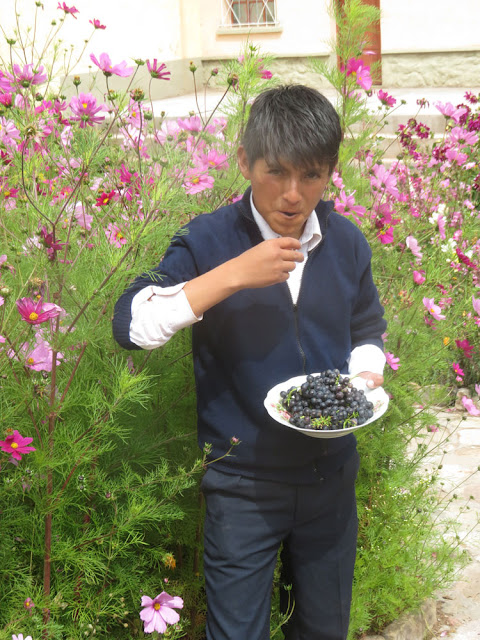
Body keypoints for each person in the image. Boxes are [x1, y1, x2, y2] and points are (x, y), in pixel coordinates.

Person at [112, 84, 387, 640]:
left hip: (329, 478)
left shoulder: (347, 242)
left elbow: (366, 326)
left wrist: (364, 374)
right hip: (242, 485)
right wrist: (233, 274)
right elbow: (131, 325)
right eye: (275, 172)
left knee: (325, 629)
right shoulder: (207, 239)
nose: (292, 194)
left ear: (331, 171)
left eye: (311, 176)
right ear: (244, 161)